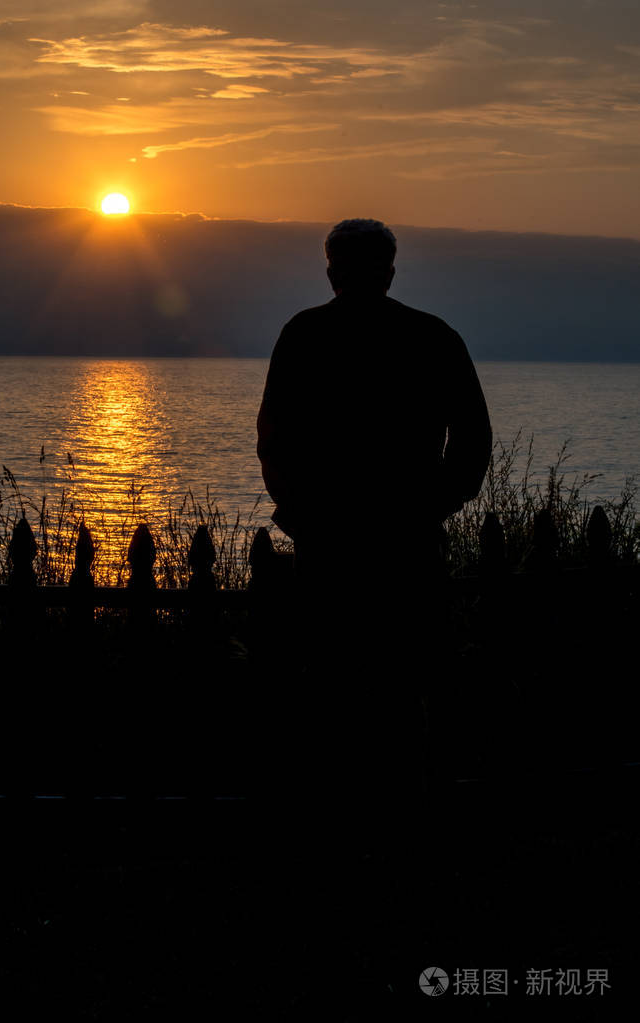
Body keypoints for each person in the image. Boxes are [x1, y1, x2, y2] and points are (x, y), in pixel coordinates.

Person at [257, 217, 492, 797]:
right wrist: (437, 504)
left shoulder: (305, 334)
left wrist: (298, 508)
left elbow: (274, 435)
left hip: (332, 540)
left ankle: (338, 809)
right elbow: (472, 438)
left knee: (332, 683)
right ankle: (409, 806)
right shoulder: (432, 336)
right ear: (389, 270)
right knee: (406, 684)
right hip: (405, 541)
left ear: (331, 269)